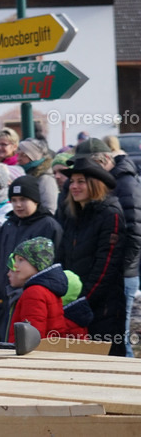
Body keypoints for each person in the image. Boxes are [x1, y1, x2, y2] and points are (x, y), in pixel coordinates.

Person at [75, 137, 141, 357]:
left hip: (121, 272)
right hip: (108, 272)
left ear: (101, 162)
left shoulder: (125, 182)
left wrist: (122, 268)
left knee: (118, 336)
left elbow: (134, 231)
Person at [0, 175, 62, 340]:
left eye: (23, 199)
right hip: (4, 302)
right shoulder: (9, 225)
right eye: (14, 200)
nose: (18, 205)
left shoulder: (49, 226)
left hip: (31, 301)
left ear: (36, 200)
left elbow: (53, 266)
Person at [59, 158, 126, 355]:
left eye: (81, 181)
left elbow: (106, 266)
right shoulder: (73, 214)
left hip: (103, 307)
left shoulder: (110, 214)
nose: (74, 186)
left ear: (95, 184)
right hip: (75, 303)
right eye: (72, 182)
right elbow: (63, 256)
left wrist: (83, 300)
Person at [6, 237, 91, 342]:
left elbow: (31, 338)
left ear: (37, 262)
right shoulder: (50, 290)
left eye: (21, 260)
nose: (15, 265)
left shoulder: (34, 292)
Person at [17, 138, 60, 215]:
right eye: (18, 154)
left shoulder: (45, 179)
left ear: (33, 156)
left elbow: (50, 209)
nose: (18, 159)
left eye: (23, 155)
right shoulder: (22, 174)